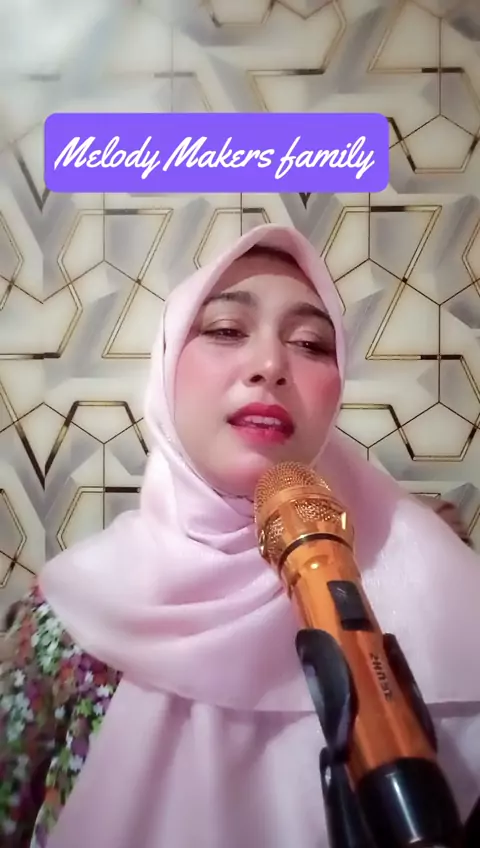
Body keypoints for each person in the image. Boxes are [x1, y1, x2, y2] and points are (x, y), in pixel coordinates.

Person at [0, 223, 479, 848]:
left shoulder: (441, 582)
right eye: (226, 330)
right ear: (166, 366)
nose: (271, 366)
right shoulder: (67, 617)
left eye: (310, 343)